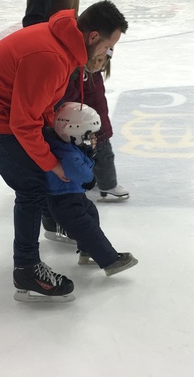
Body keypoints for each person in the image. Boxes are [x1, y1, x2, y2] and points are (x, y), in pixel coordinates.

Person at [0, 0, 129, 303]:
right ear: (92, 37)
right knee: (31, 185)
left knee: (38, 171)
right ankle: (27, 269)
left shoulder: (65, 48)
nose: (108, 53)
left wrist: (53, 130)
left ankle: (59, 221)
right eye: (108, 45)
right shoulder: (51, 57)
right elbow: (23, 122)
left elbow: (43, 105)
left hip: (6, 108)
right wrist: (52, 163)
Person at [23, 0, 130, 245]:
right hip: (58, 62)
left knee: (84, 120)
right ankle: (56, 213)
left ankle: (82, 184)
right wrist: (58, 64)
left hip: (72, 56)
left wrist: (94, 53)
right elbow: (34, 24)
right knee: (61, 128)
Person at [44, 102, 138, 278]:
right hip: (65, 201)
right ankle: (110, 261)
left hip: (72, 197)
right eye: (89, 134)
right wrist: (90, 177)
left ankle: (88, 253)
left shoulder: (68, 146)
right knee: (87, 229)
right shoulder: (69, 153)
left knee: (91, 215)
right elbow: (78, 172)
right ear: (73, 131)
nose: (93, 138)